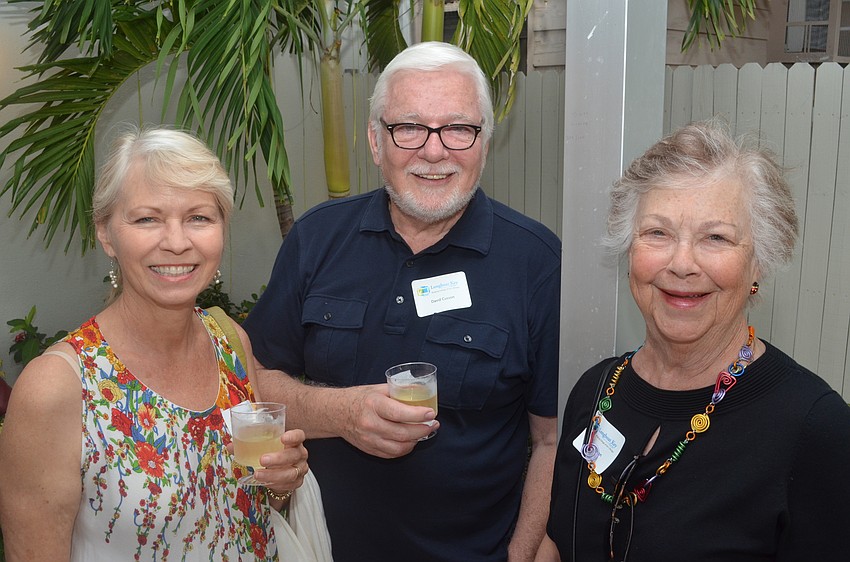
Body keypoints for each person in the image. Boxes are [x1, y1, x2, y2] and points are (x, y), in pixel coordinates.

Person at [243, 41, 561, 561]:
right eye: (408, 127)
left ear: (484, 143)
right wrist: (340, 412)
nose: (434, 151)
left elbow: (551, 441)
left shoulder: (537, 262)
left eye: (458, 128)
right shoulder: (317, 239)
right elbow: (254, 379)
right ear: (375, 141)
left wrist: (521, 555)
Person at [537, 120, 850, 562]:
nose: (682, 263)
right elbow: (556, 543)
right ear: (630, 251)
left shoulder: (814, 429)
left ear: (760, 261)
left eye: (716, 237)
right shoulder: (596, 390)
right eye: (657, 233)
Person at [0, 128, 310, 561]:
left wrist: (280, 484)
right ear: (106, 234)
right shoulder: (58, 387)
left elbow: (246, 514)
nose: (177, 241)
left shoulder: (230, 345)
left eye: (199, 217)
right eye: (147, 218)